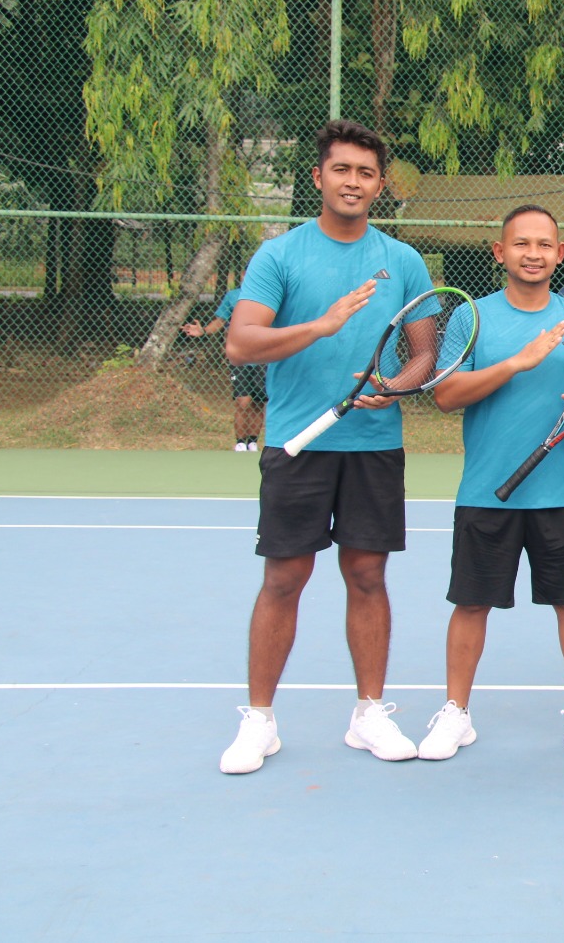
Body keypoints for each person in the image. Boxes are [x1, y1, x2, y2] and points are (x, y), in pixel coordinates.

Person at [217, 119, 436, 774]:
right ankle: (259, 721)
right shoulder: (279, 256)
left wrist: (396, 387)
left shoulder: (403, 261)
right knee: (284, 578)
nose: (353, 182)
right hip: (298, 444)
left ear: (379, 186)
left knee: (367, 576)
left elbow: (423, 354)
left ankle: (369, 714)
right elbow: (240, 343)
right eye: (342, 169)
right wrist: (322, 325)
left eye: (366, 173)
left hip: (373, 445)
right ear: (318, 177)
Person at [417, 205, 564, 762]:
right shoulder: (471, 318)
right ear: (500, 252)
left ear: (560, 254)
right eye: (521, 243)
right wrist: (516, 363)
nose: (533, 253)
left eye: (544, 244)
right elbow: (445, 395)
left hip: (561, 492)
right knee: (470, 604)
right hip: (487, 490)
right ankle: (456, 714)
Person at [183, 277, 267, 451]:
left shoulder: (269, 295)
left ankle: (252, 442)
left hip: (263, 357)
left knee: (259, 402)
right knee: (243, 401)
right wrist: (203, 330)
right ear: (244, 275)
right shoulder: (233, 296)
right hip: (239, 356)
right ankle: (240, 443)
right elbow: (219, 322)